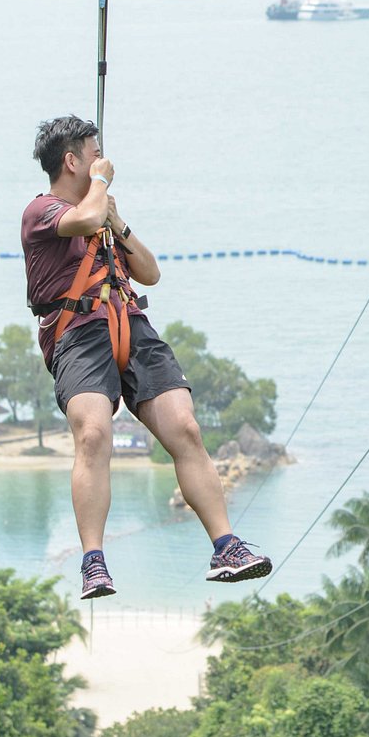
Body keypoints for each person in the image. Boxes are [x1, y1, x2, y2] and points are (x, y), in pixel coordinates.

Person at [22, 115, 271, 598]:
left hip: (129, 321)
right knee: (94, 434)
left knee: (186, 426)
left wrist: (120, 222)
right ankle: (93, 561)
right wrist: (99, 188)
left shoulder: (103, 214)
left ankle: (226, 546)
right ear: (72, 161)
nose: (103, 160)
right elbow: (85, 218)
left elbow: (150, 273)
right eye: (94, 153)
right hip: (79, 331)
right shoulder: (42, 211)